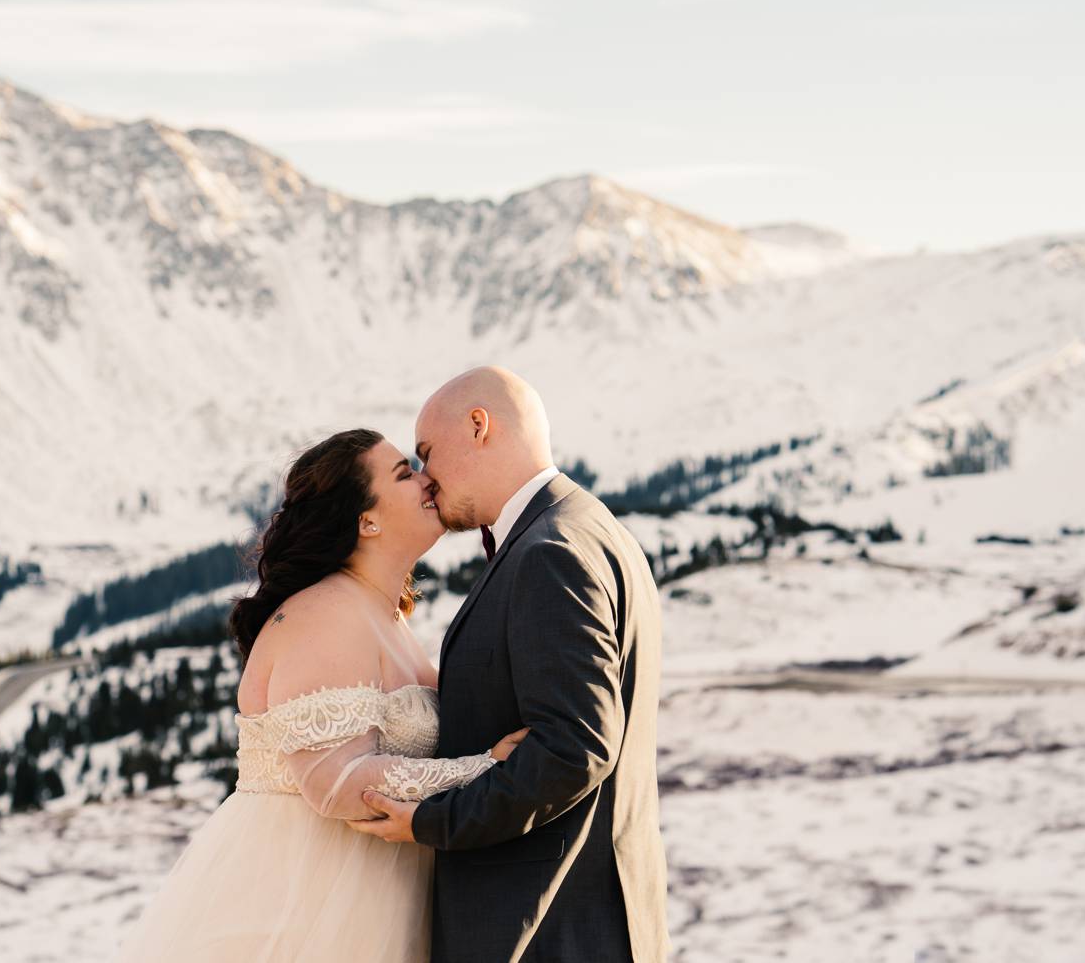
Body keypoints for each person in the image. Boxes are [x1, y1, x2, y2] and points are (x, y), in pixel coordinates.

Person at [111, 427, 528, 963]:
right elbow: (338, 784)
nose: (429, 481)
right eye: (405, 474)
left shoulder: (384, 616)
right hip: (305, 900)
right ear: (366, 520)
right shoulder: (324, 614)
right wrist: (486, 771)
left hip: (377, 895)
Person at [347, 366, 671, 962]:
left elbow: (575, 748)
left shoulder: (551, 552)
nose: (425, 480)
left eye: (426, 454)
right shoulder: (588, 529)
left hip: (548, 927)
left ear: (479, 425)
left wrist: (430, 821)